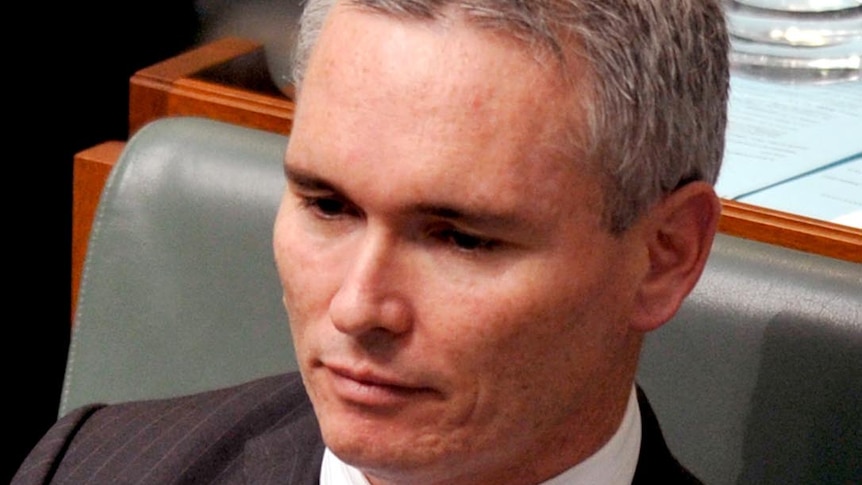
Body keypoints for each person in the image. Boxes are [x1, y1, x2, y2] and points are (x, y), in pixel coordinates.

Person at [13, 0, 729, 483]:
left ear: (664, 256)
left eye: (462, 240)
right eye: (327, 206)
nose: (358, 308)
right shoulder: (93, 466)